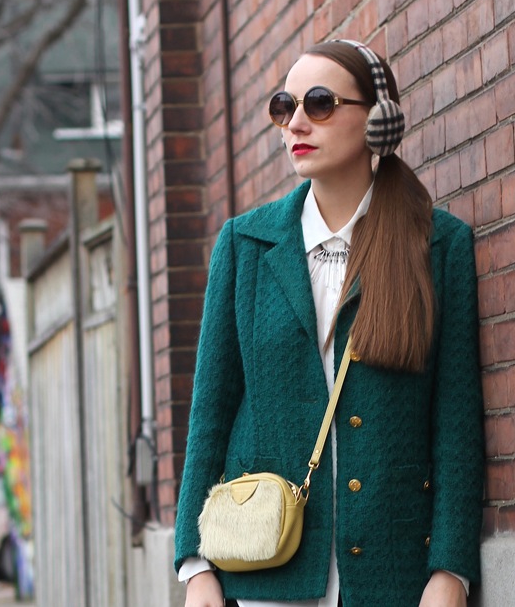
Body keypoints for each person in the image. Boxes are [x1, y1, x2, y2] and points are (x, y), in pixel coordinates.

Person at [174, 39, 484, 607]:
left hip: (395, 572)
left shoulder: (437, 245)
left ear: (377, 120)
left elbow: (456, 420)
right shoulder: (245, 245)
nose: (296, 122)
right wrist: (195, 567)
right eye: (283, 106)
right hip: (267, 571)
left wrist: (451, 569)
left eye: (319, 103)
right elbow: (210, 412)